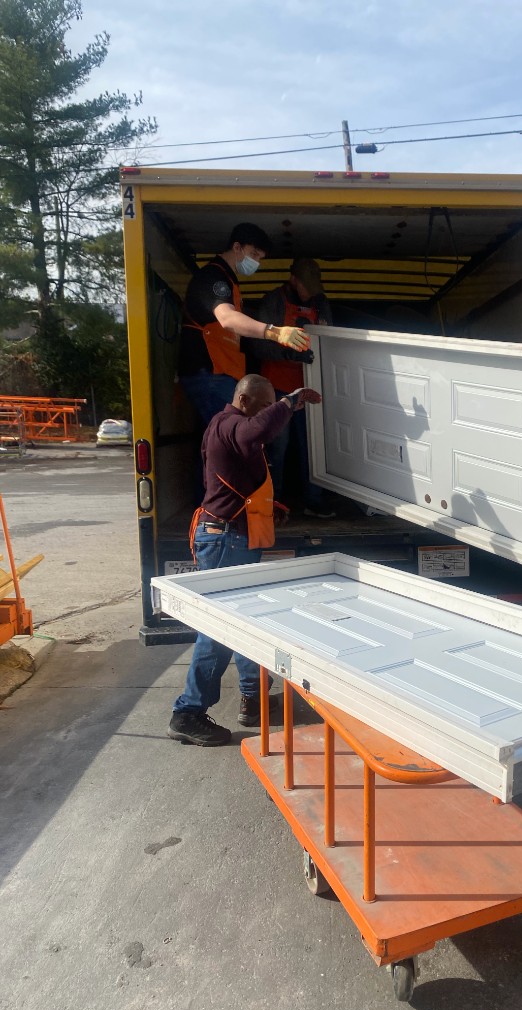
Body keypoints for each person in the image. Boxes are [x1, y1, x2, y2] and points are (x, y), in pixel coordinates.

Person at [168, 374, 322, 747]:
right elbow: (254, 433)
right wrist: (289, 402)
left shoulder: (227, 427)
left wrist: (272, 506)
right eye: (265, 406)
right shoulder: (230, 424)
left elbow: (240, 475)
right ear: (244, 399)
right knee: (220, 630)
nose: (269, 413)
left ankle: (253, 699)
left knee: (246, 622)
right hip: (225, 541)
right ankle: (188, 713)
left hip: (232, 536)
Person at [178, 223, 312, 426]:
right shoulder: (213, 278)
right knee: (230, 438)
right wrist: (274, 332)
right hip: (210, 372)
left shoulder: (228, 280)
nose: (256, 261)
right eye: (254, 254)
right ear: (237, 247)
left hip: (220, 372)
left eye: (260, 258)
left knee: (224, 440)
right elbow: (228, 318)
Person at [257, 258, 335, 518]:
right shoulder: (273, 301)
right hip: (277, 389)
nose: (310, 293)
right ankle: (273, 504)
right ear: (293, 280)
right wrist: (290, 355)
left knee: (312, 448)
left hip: (308, 389)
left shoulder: (320, 302)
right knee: (278, 449)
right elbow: (256, 344)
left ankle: (314, 501)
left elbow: (330, 339)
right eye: (305, 286)